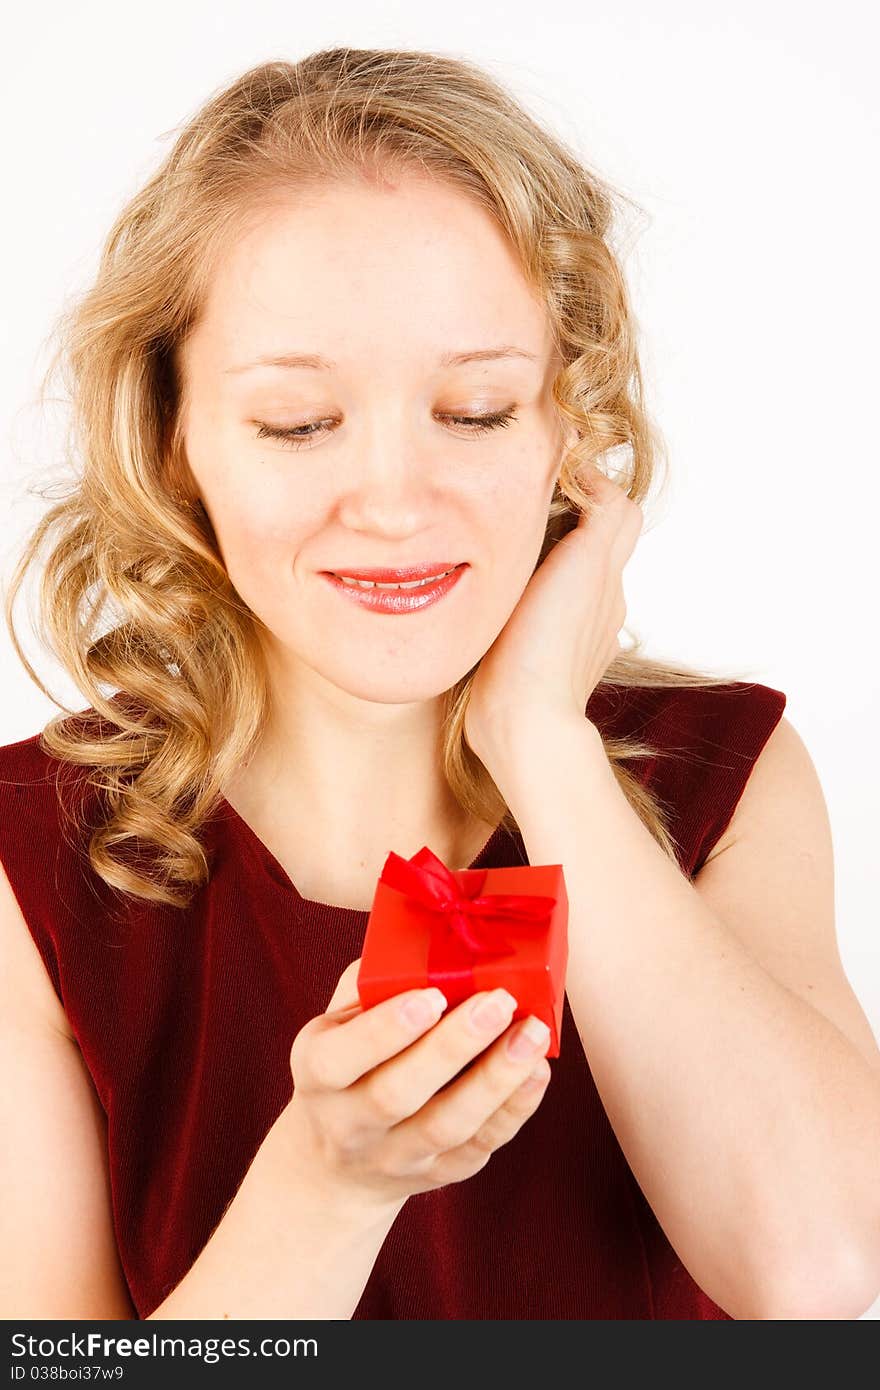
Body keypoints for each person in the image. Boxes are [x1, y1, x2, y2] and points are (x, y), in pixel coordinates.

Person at [2, 48, 879, 1323]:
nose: (398, 503)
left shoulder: (723, 776)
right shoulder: (33, 852)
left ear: (565, 429)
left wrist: (539, 740)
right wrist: (325, 1186)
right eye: (299, 423)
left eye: (473, 409)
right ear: (173, 439)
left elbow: (826, 1275)